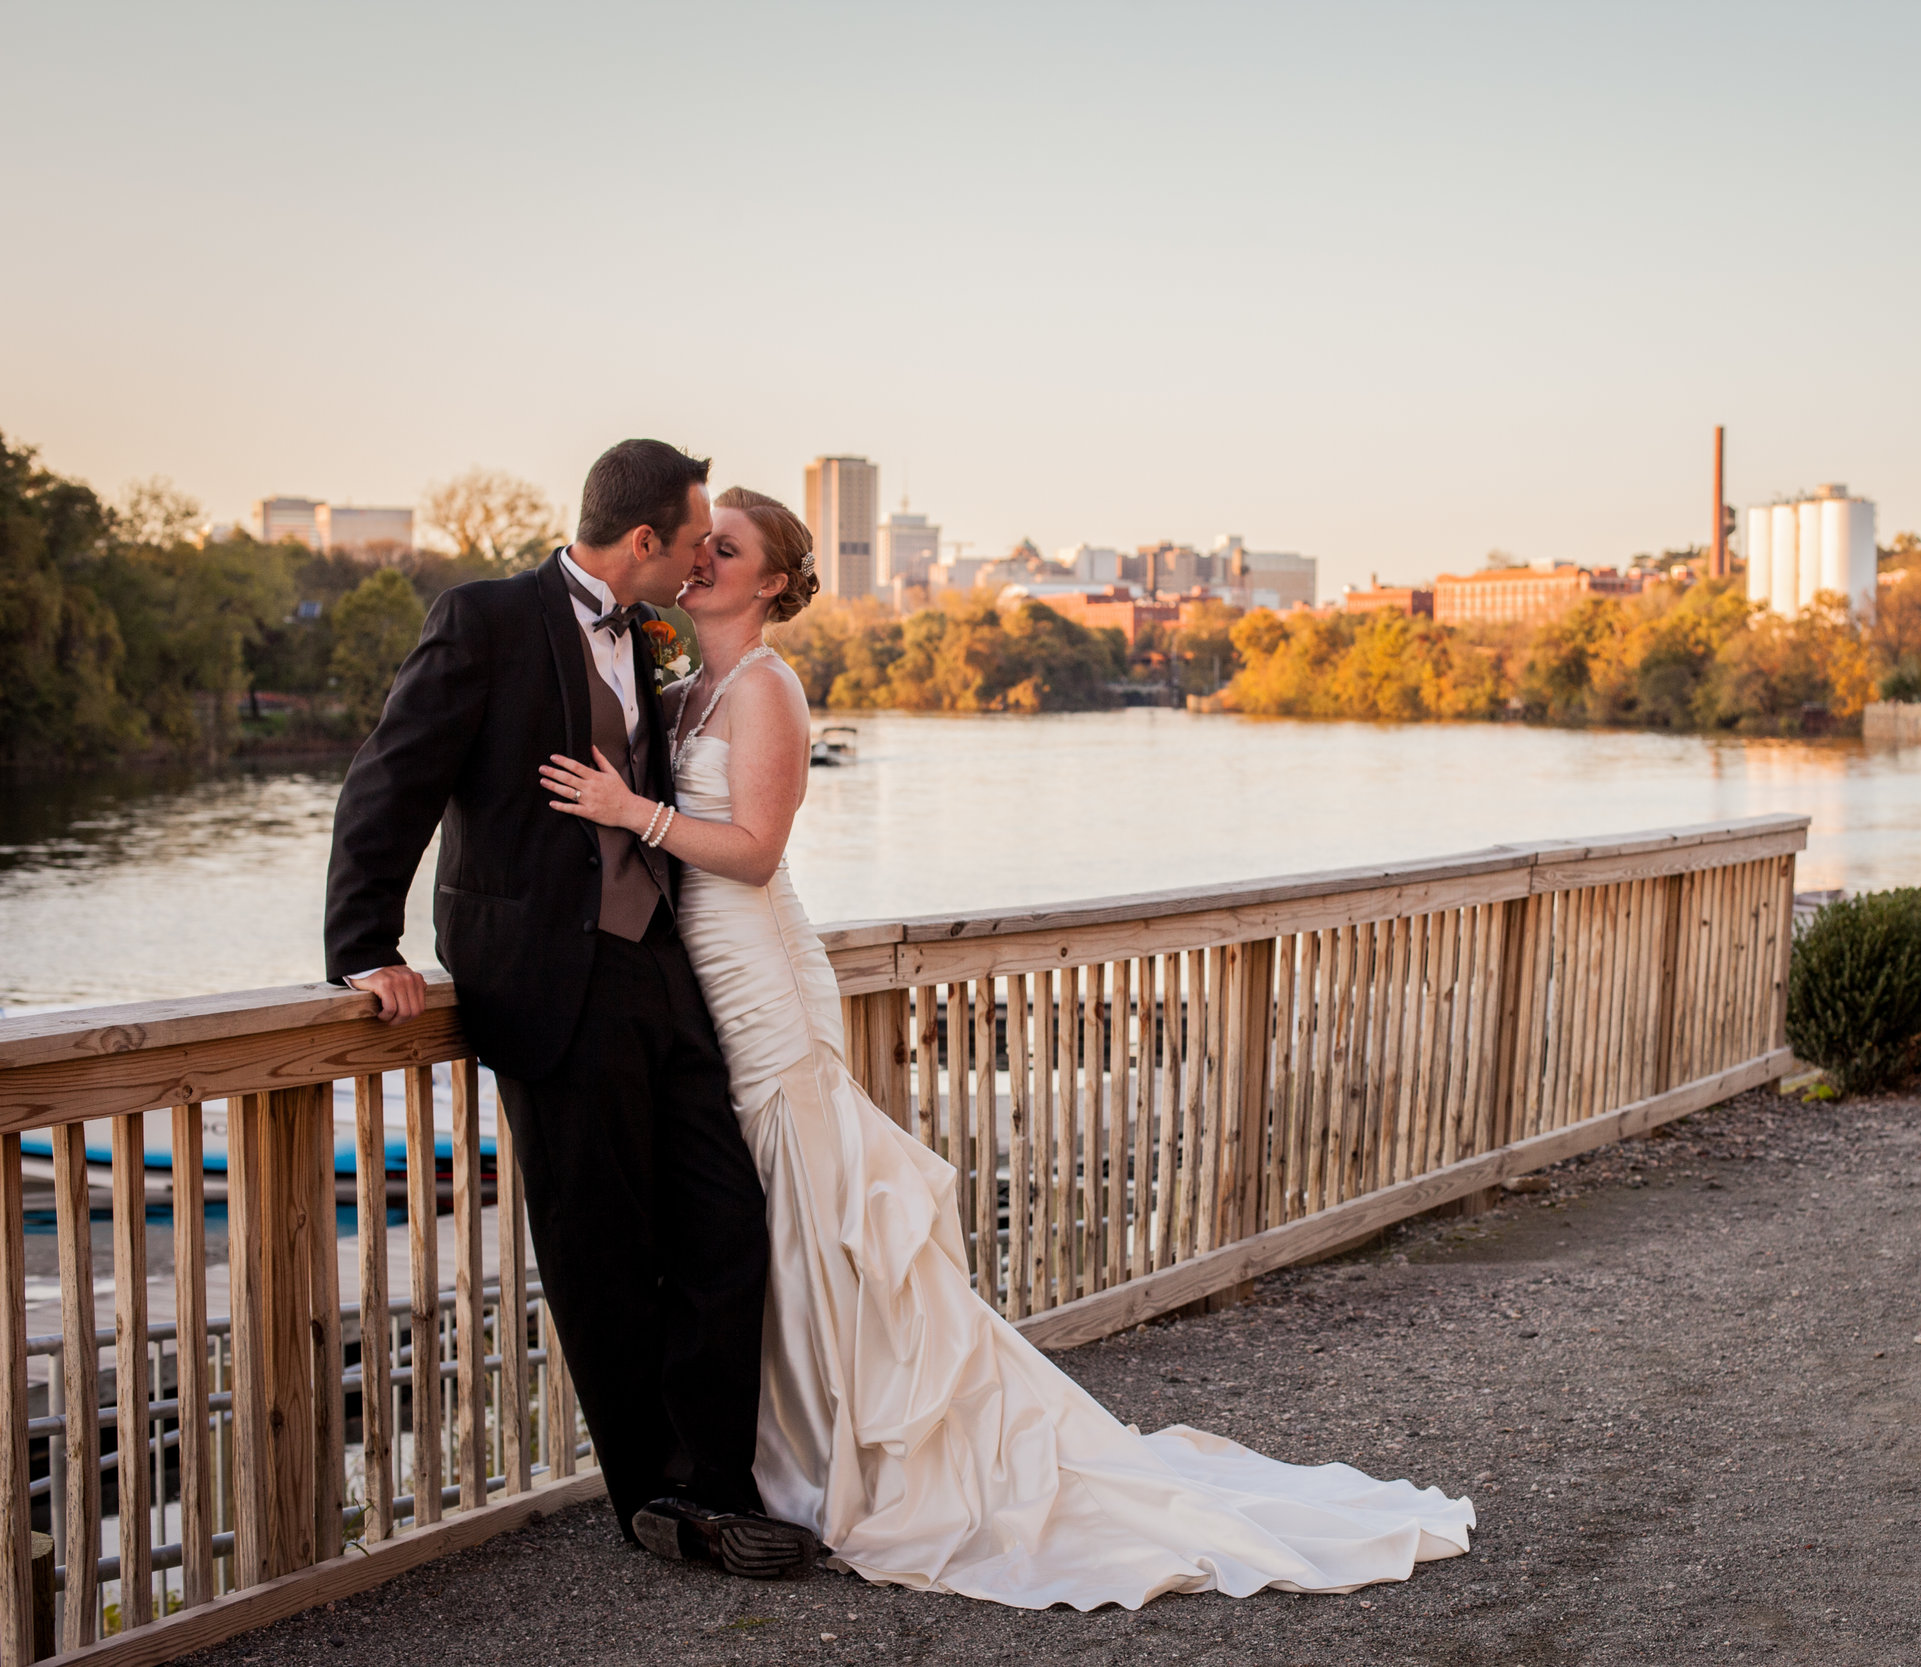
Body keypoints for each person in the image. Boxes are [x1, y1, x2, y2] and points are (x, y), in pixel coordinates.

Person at [538, 485, 1474, 1610]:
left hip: (765, 978)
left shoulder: (769, 691)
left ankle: (875, 1455)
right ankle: (790, 1450)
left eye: (723, 548)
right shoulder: (682, 691)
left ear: (773, 579)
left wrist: (627, 810)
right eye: (697, 544)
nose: (699, 560)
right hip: (701, 984)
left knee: (812, 1198)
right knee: (760, 1220)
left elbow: (751, 847)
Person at [324, 441, 818, 1578]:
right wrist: (364, 946)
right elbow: (390, 779)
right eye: (695, 538)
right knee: (600, 1250)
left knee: (724, 1227)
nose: (704, 557)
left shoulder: (657, 648)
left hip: (662, 969)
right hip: (547, 984)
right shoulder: (487, 618)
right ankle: (660, 1500)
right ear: (645, 541)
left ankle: (719, 1474)